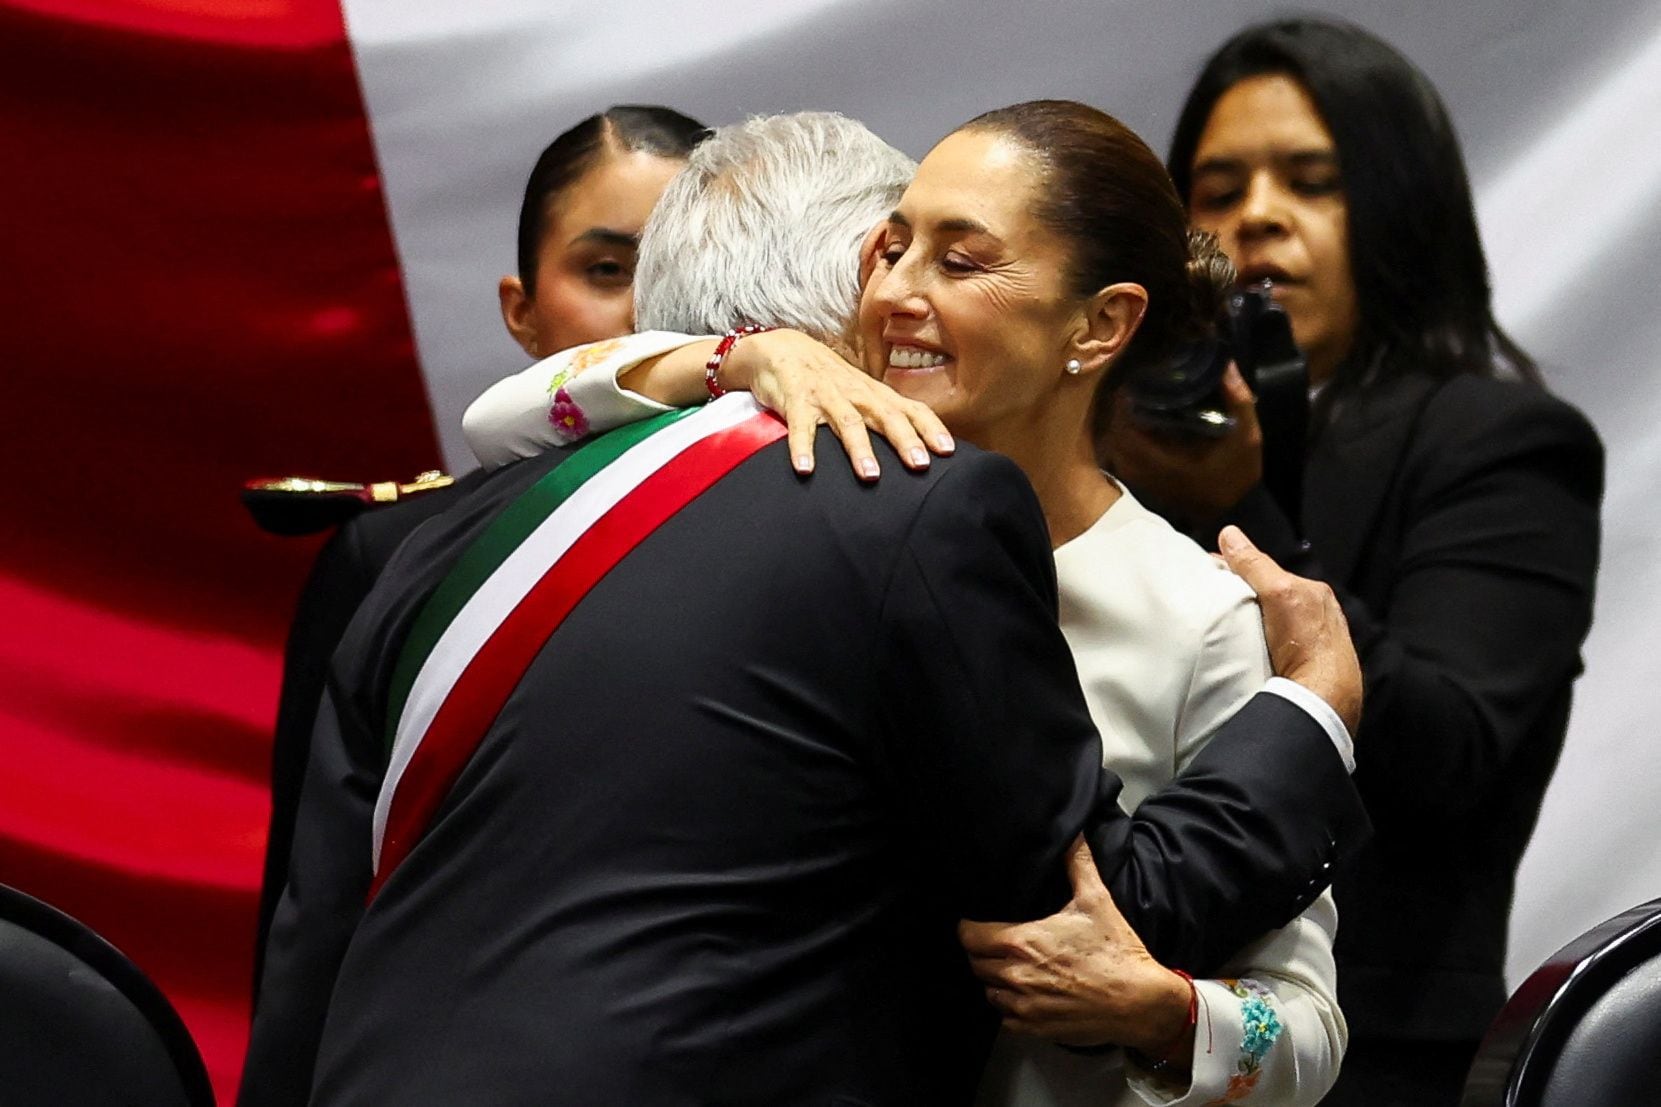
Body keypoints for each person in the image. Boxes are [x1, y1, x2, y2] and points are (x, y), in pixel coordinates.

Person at [244, 112, 1366, 1106]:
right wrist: (1311, 715)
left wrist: (1165, 1018)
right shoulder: (852, 524)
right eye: (891, 248)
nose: (896, 291)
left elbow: (1299, 1030)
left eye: (957, 258)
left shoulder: (1198, 611)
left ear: (1097, 326)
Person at [1100, 19, 1602, 1105]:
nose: (1257, 216)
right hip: (1115, 1031)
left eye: (1311, 181)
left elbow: (1447, 756)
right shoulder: (1115, 446)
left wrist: (1235, 505)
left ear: (1397, 211)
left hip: (1378, 1058)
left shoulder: (1498, 441)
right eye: (1217, 186)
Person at [253, 104, 709, 992]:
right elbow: (314, 910)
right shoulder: (393, 553)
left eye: (686, 267)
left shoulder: (838, 528)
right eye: (606, 269)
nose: (651, 307)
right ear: (523, 311)